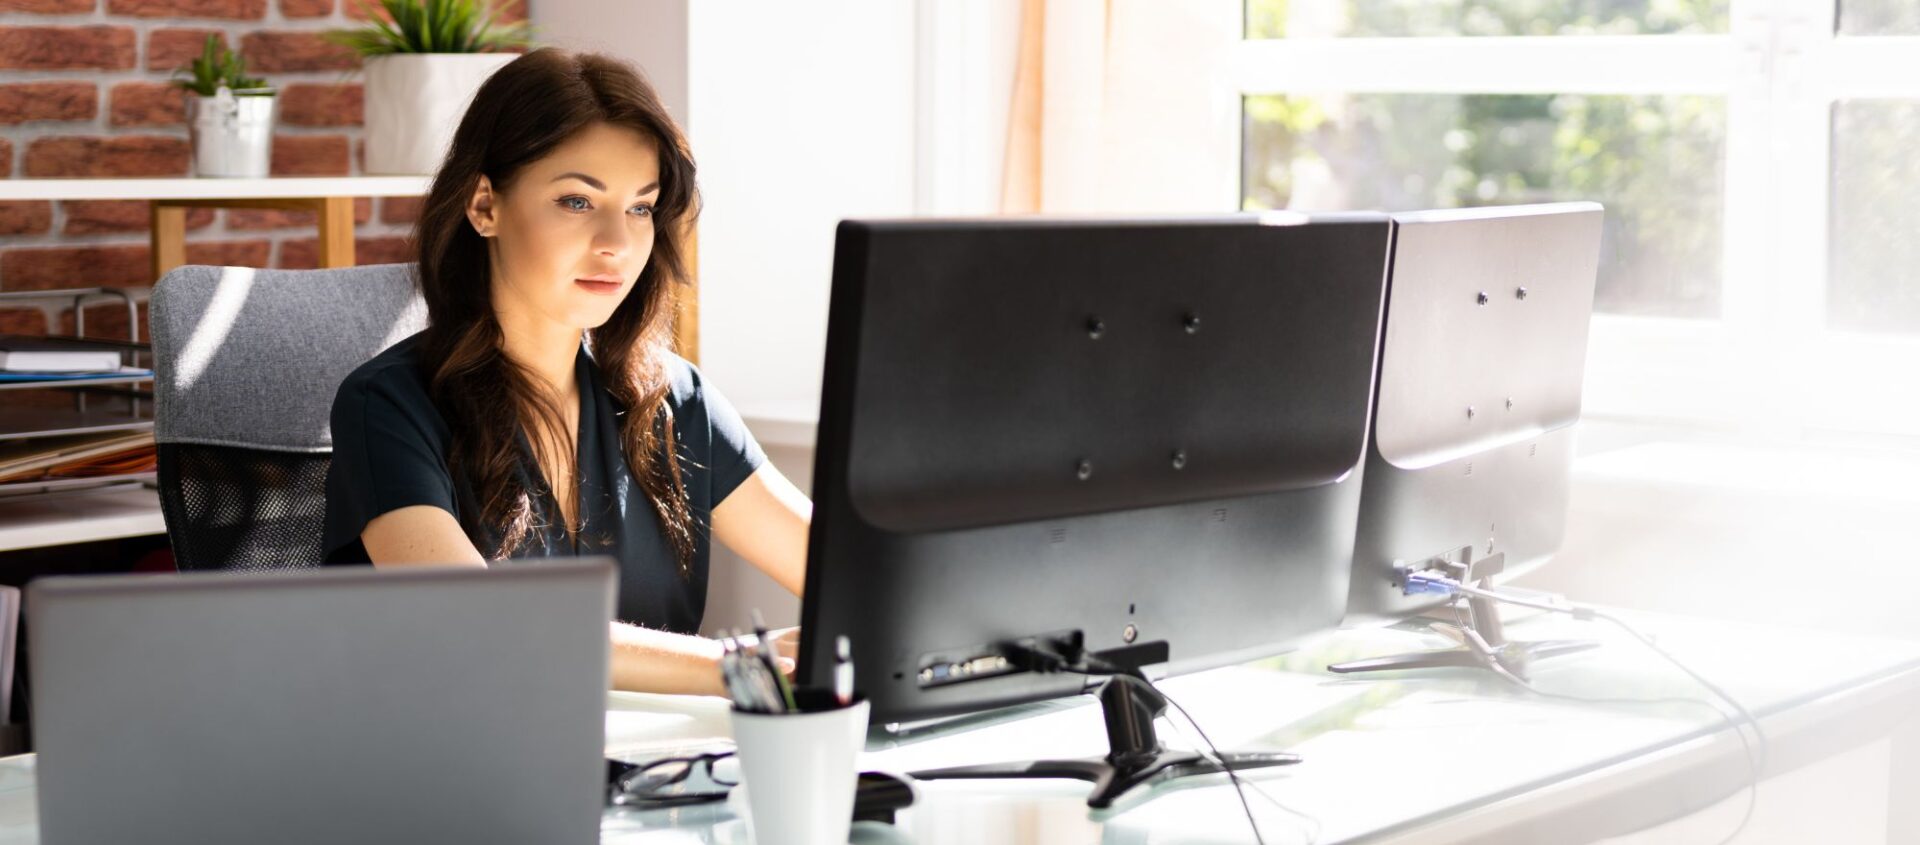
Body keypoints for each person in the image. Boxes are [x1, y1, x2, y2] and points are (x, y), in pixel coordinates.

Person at [320, 48, 809, 696]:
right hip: (458, 777)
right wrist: (740, 664)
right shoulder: (387, 406)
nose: (617, 241)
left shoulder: (675, 400)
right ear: (484, 205)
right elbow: (485, 626)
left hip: (661, 777)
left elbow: (855, 572)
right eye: (577, 201)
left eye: (641, 207)